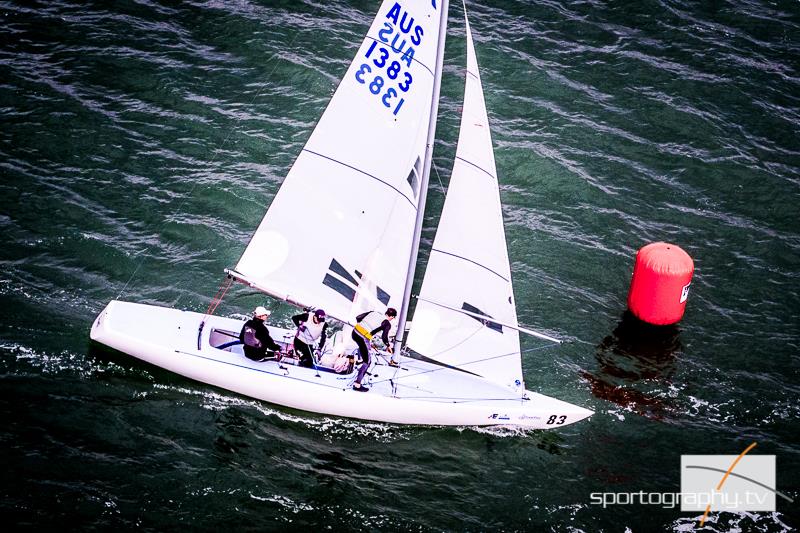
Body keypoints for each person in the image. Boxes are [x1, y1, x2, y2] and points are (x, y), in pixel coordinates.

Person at [351, 307, 397, 392]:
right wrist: (388, 346)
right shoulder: (387, 323)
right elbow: (384, 337)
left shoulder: (374, 312)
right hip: (362, 337)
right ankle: (357, 385)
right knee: (367, 361)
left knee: (363, 347)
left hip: (354, 333)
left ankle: (359, 360)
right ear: (392, 317)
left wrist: (366, 331)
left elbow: (358, 317)